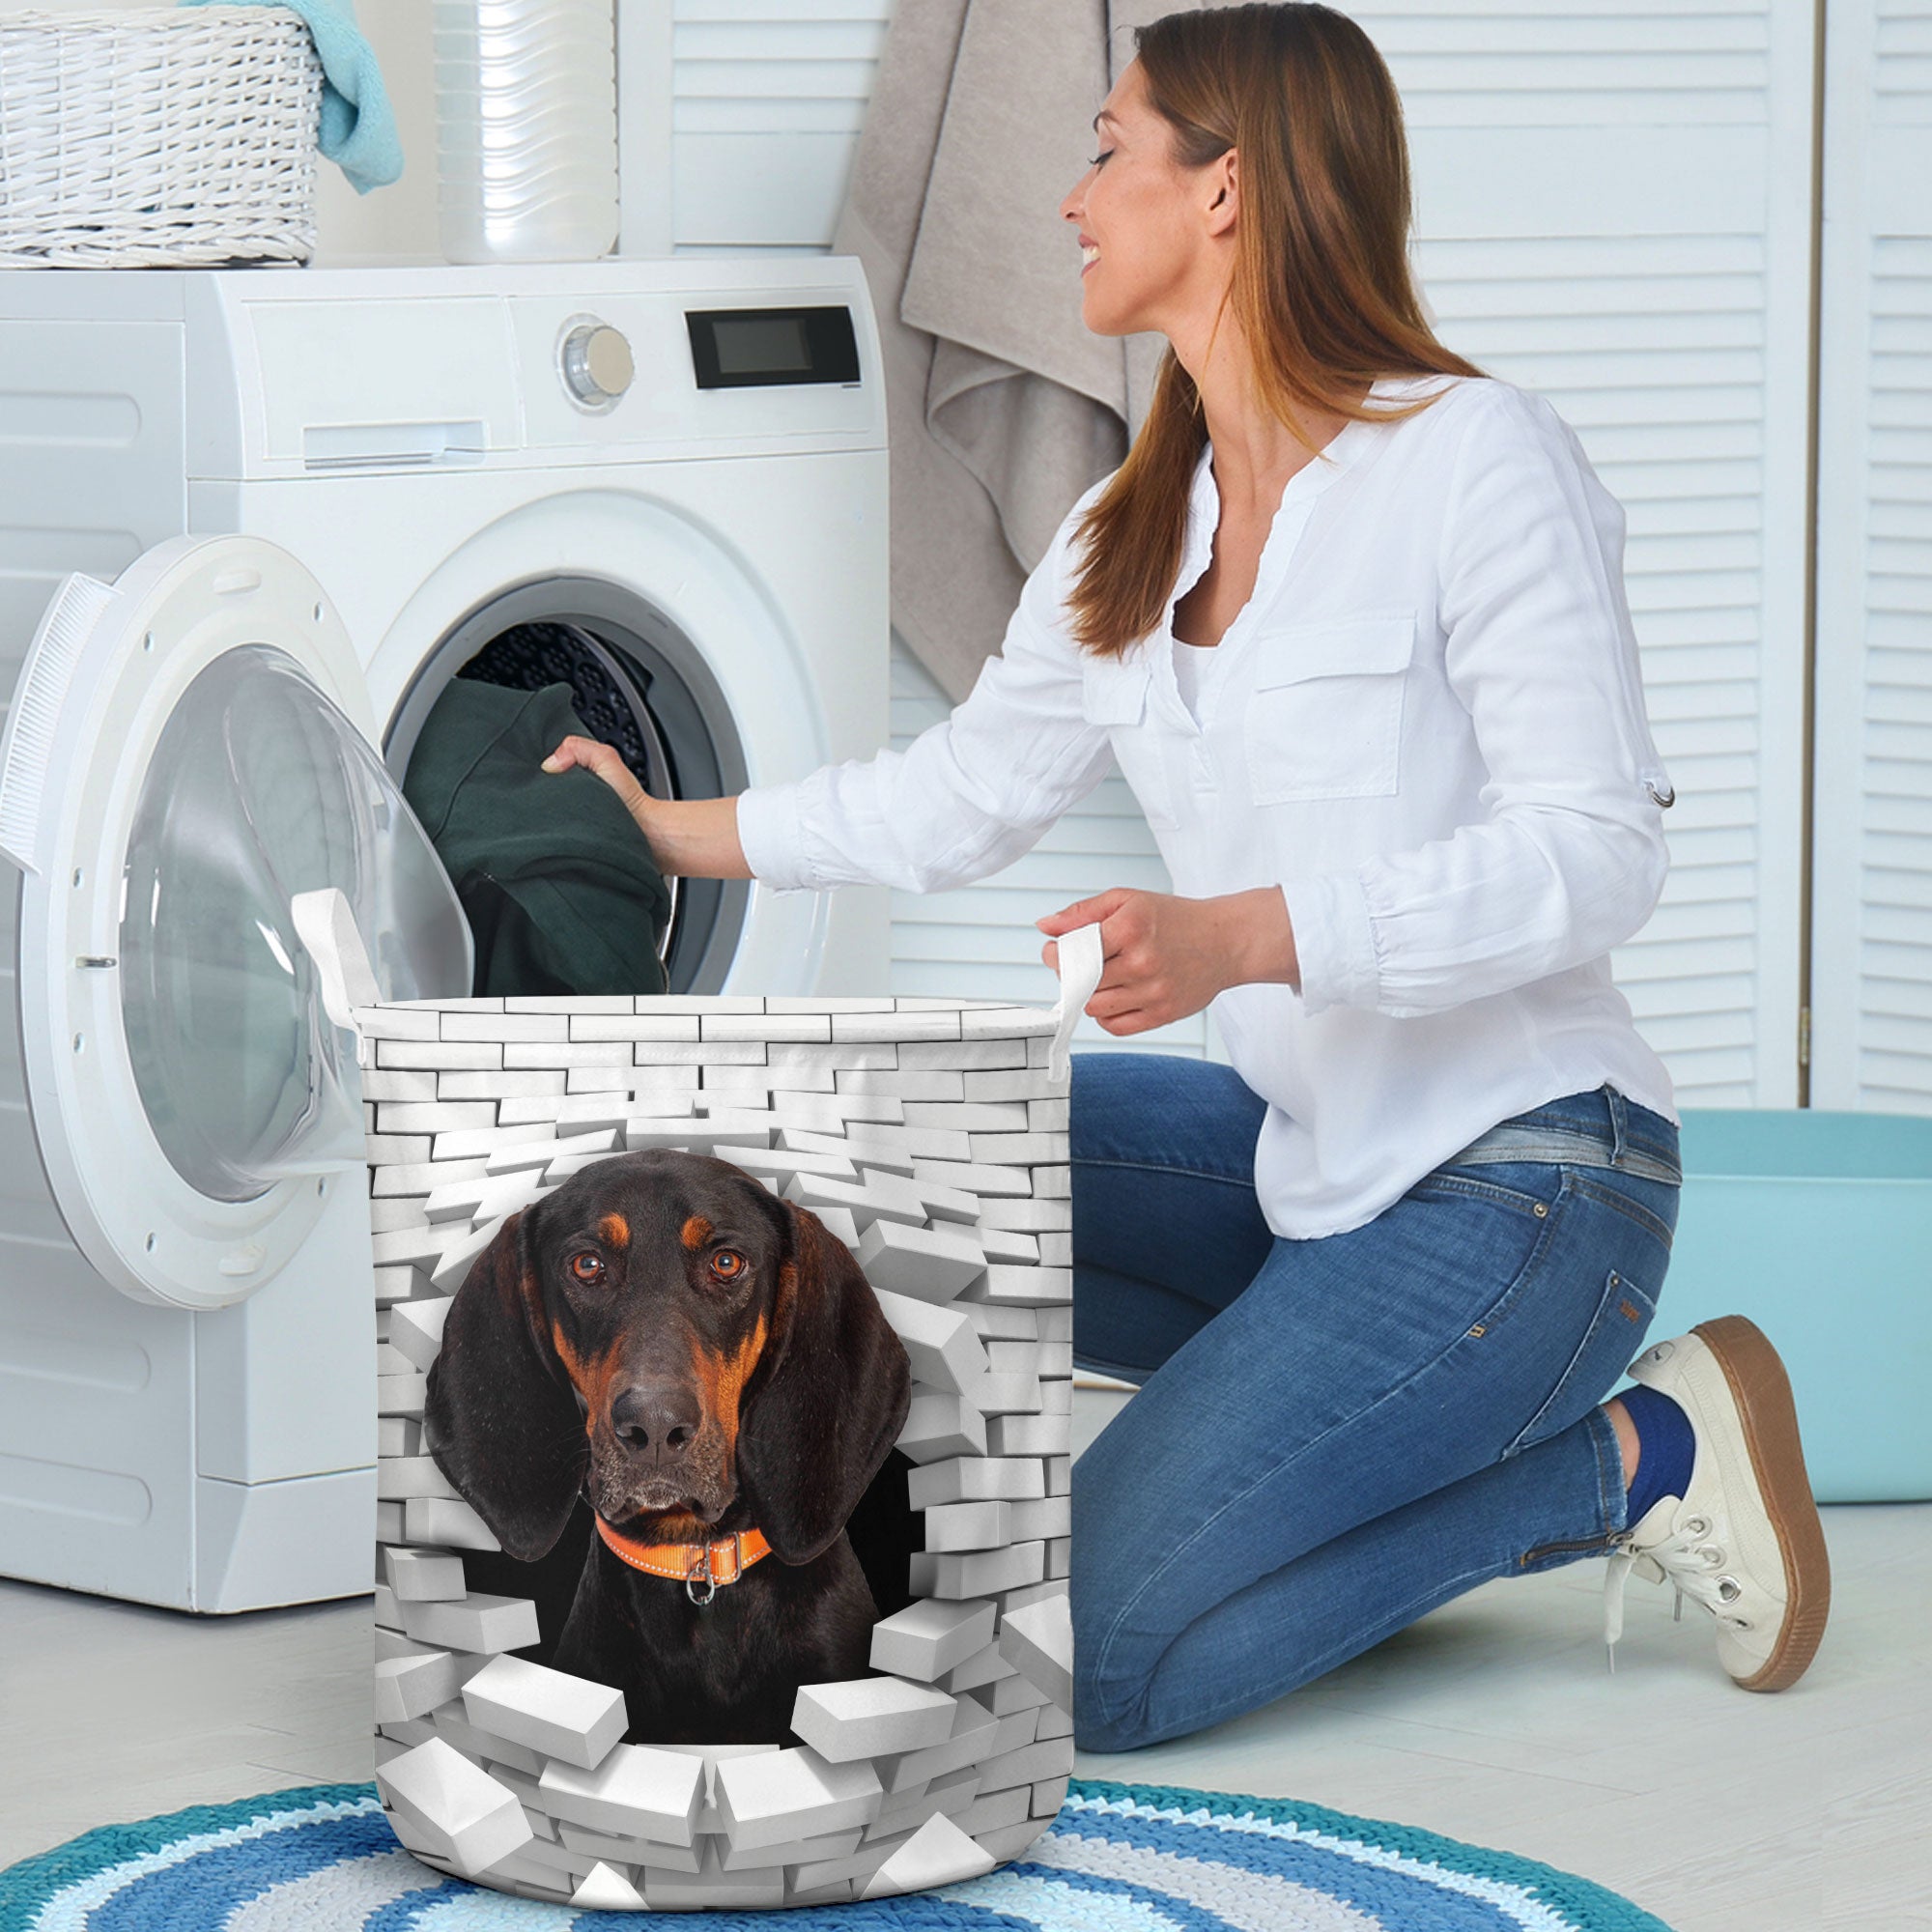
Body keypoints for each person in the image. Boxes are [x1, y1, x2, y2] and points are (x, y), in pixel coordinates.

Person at [541, 0, 1831, 1754]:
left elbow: (1599, 856)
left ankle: (1634, 1461)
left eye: (1106, 150)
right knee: (887, 1166)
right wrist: (682, 825)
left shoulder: (1472, 459)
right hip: (1314, 1174)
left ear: (1225, 191)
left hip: (1530, 1186)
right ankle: (1159, 1470)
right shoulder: (1129, 528)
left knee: (1098, 1661)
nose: (1069, 198)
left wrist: (1250, 939)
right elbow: (961, 797)